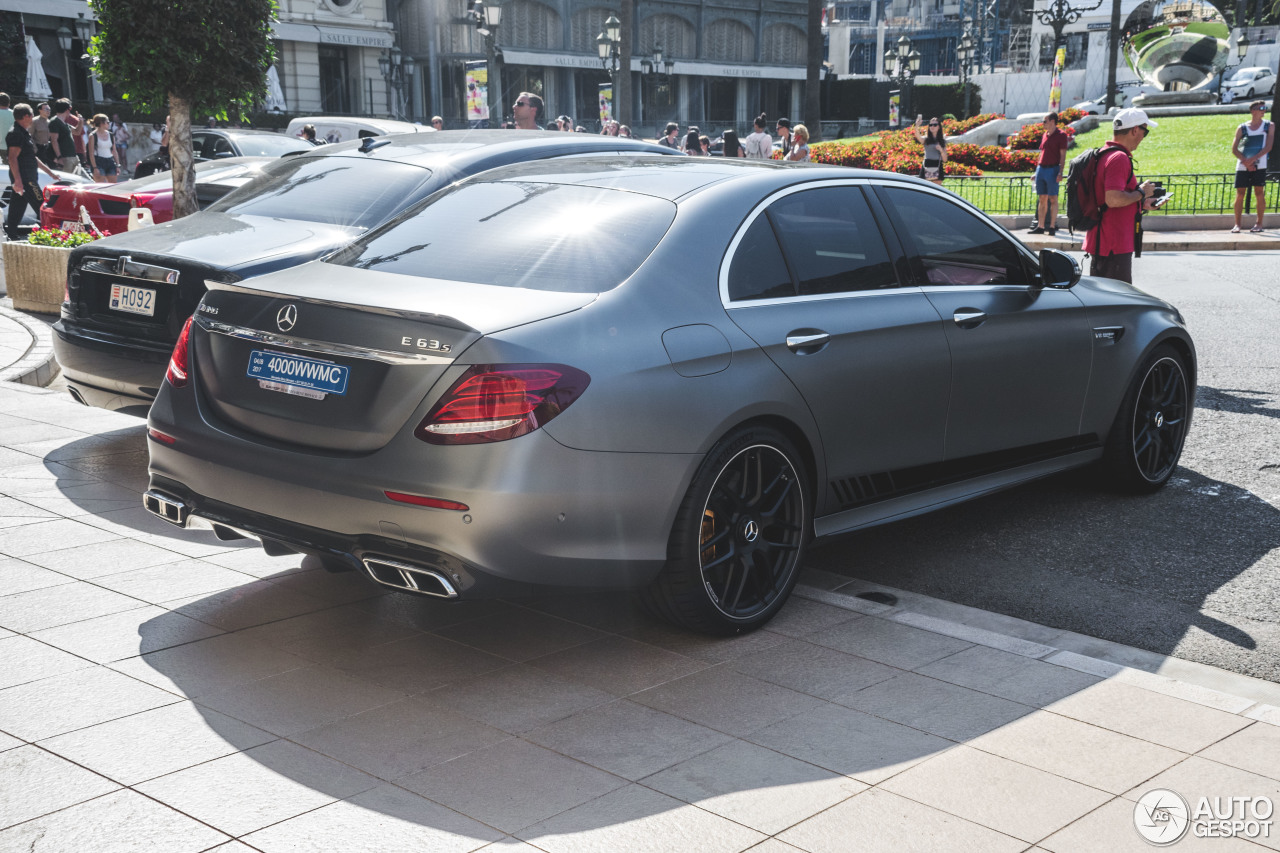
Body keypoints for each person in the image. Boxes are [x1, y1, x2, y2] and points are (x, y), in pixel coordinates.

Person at [1082, 108, 1160, 285]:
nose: (1143, 137)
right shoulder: (1119, 158)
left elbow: (1109, 198)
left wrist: (1142, 202)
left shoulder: (1104, 154)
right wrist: (1141, 192)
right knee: (1116, 302)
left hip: (1105, 241)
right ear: (1134, 130)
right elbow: (1113, 199)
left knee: (1104, 301)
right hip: (1113, 243)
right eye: (1144, 131)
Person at [5, 104, 60, 241]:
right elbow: (12, 158)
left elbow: (31, 157)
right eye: (31, 115)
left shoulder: (23, 132)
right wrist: (18, 181)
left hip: (27, 176)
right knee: (41, 205)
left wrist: (50, 173)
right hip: (25, 178)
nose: (32, 118)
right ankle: (52, 235)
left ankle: (11, 234)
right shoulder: (15, 133)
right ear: (26, 116)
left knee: (17, 207)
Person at [1231, 100, 1274, 233]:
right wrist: (1246, 162)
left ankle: (1259, 224)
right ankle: (1237, 224)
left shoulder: (1269, 126)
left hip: (1259, 164)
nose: (1263, 110)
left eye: (1265, 108)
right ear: (1253, 111)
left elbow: (1268, 146)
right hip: (1243, 164)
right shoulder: (1242, 127)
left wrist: (1253, 160)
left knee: (1259, 192)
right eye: (1260, 108)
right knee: (1240, 193)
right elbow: (1234, 148)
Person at [1028, 112, 1070, 236]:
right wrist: (1036, 171)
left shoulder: (1061, 135)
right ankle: (1040, 226)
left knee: (1053, 198)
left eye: (1045, 121)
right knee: (1042, 198)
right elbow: (1042, 153)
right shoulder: (1044, 135)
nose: (1043, 123)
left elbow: (1063, 155)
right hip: (1042, 169)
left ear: (1052, 121)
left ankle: (1051, 226)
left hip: (1052, 169)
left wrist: (1060, 172)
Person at [48, 99, 80, 174]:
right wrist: (59, 157)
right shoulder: (55, 122)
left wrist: (80, 121)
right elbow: (54, 141)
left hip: (73, 156)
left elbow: (77, 132)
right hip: (65, 157)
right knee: (67, 181)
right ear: (68, 109)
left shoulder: (64, 123)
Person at [913, 116, 947, 184]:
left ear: (939, 127)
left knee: (937, 190)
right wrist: (917, 125)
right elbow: (918, 136)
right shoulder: (926, 140)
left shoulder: (942, 141)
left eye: (935, 125)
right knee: (924, 189)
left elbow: (945, 159)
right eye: (930, 125)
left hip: (937, 165)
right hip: (926, 165)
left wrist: (941, 150)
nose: (932, 126)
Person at [89, 113, 121, 183]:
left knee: (113, 185)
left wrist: (118, 165)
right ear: (101, 123)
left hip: (110, 161)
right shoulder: (93, 135)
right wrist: (95, 168)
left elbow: (114, 151)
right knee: (99, 186)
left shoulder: (111, 135)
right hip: (98, 161)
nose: (109, 124)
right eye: (107, 122)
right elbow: (91, 153)